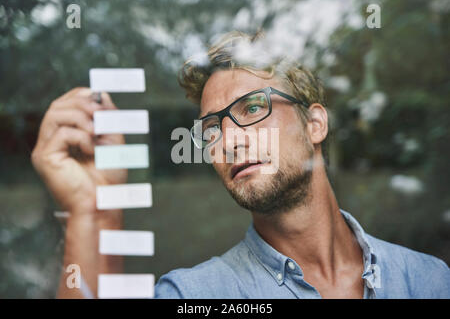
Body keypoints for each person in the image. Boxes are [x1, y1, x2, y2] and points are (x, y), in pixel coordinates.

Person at [31, 31, 450, 299]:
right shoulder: (195, 297)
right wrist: (92, 213)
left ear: (316, 123)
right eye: (211, 128)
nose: (229, 139)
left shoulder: (430, 282)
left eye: (252, 107)